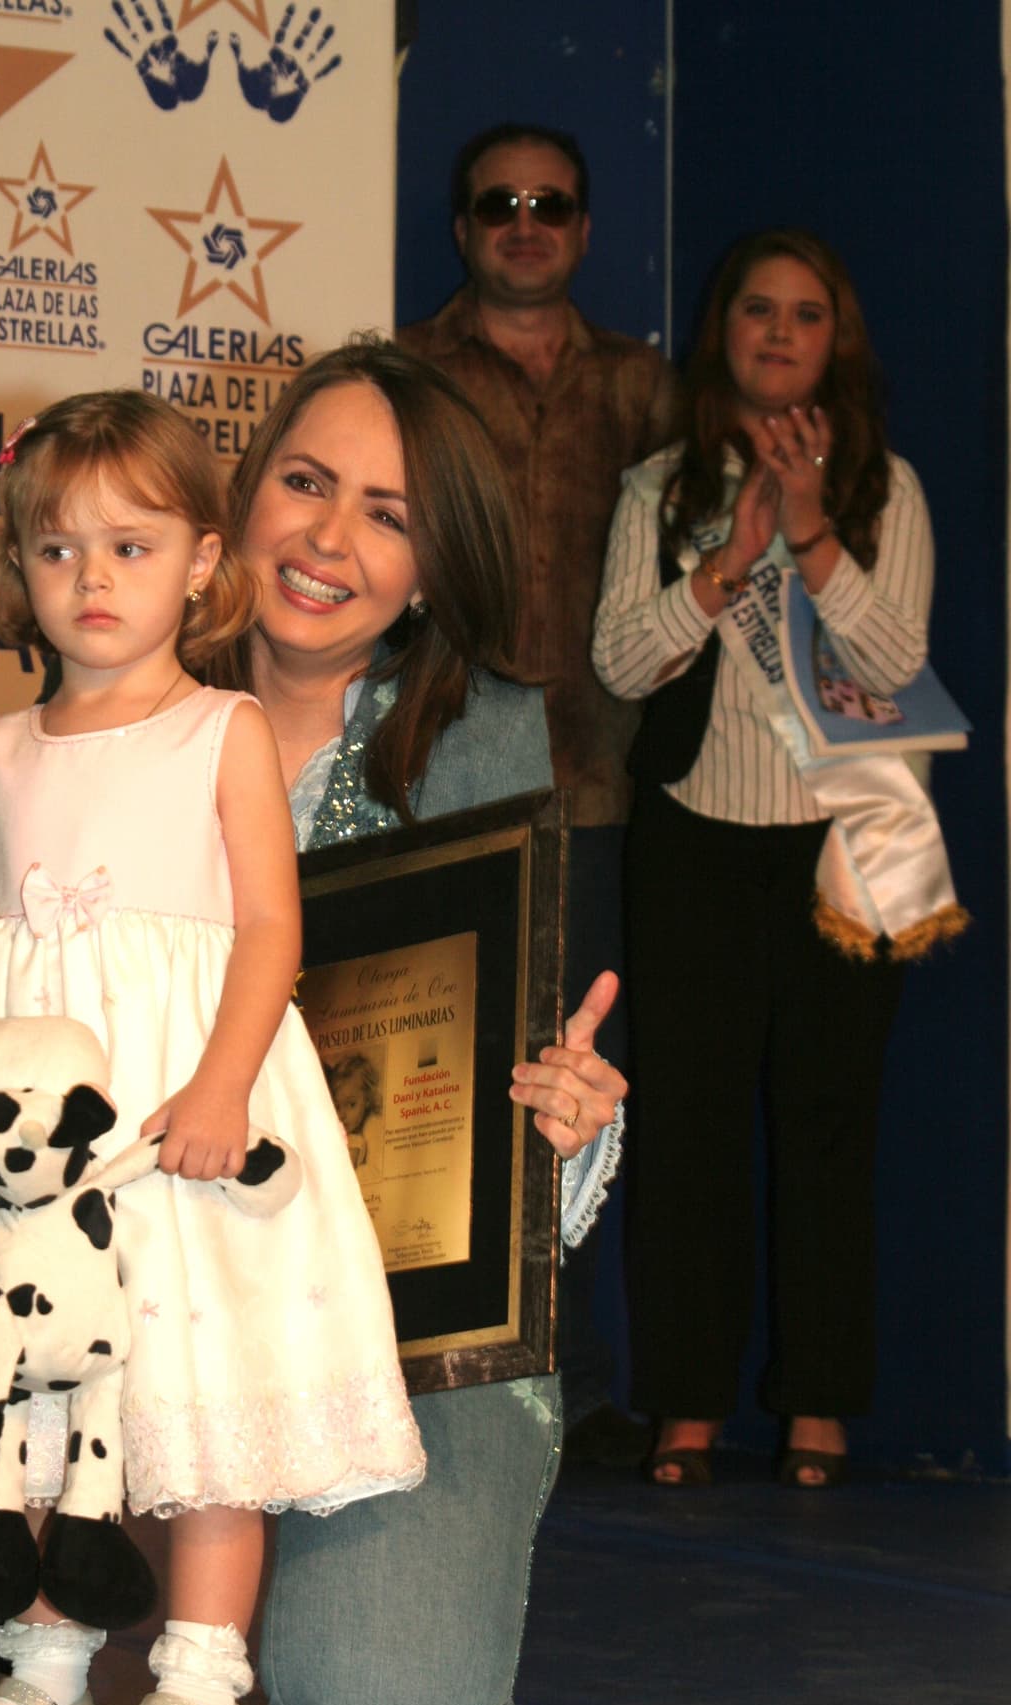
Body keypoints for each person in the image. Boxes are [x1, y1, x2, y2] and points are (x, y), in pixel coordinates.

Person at [0, 339, 626, 1705]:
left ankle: (201, 1674)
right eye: (306, 484)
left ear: (436, 564)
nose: (329, 537)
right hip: (103, 1226)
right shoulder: (63, 722)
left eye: (388, 513)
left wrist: (564, 1126)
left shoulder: (481, 738)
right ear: (231, 520)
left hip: (382, 1285)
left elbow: (483, 1028)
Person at [0, 389, 428, 1705]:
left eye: (131, 547)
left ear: (201, 562)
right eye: (59, 553)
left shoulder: (223, 732)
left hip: (179, 1136)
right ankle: (45, 1687)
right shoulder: (1, 752)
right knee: (50, 1421)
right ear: (19, 572)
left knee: (200, 1408)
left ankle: (197, 1697)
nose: (93, 581)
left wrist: (221, 1085)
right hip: (44, 1183)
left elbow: (267, 934)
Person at [592, 229, 965, 1490]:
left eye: (804, 315)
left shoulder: (882, 487)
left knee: (824, 1128)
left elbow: (895, 666)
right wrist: (723, 568)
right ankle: (686, 1404)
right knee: (687, 1130)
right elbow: (619, 665)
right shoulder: (658, 487)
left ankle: (817, 1405)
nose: (776, 331)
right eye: (756, 310)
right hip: (692, 834)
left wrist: (808, 532)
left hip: (841, 845)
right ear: (724, 331)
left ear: (832, 343)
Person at [399, 120, 679, 1464]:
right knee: (440, 1082)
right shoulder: (405, 377)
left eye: (551, 205)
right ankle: (437, 1364)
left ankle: (586, 1390)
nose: (525, 222)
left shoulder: (647, 389)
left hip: (605, 789)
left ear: (582, 226)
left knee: (587, 1088)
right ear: (462, 226)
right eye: (498, 202)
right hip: (443, 780)